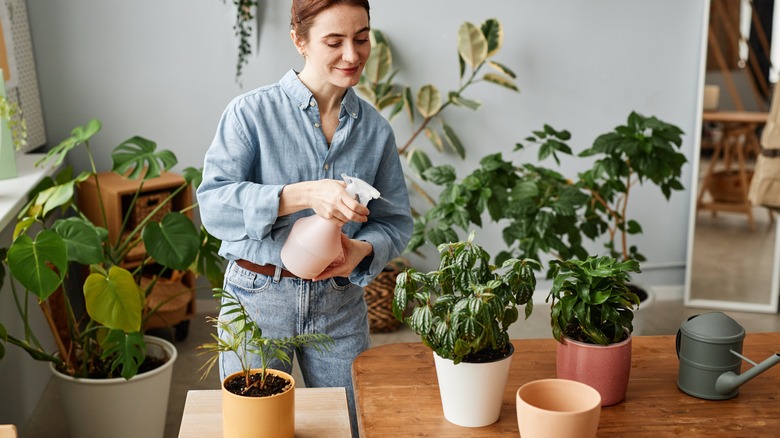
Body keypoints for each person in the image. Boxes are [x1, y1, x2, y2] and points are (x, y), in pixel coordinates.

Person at [196, 0, 412, 435]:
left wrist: (363, 250)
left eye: (362, 38)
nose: (352, 55)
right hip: (256, 298)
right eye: (334, 41)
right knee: (256, 430)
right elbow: (214, 206)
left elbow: (395, 221)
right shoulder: (250, 114)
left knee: (348, 425)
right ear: (299, 41)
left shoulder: (375, 130)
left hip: (339, 303)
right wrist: (301, 195)